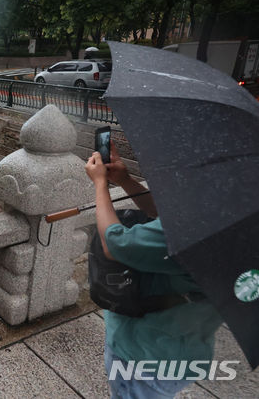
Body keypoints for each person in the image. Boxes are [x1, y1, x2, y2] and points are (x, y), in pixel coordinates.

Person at [85, 142, 223, 398]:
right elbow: (167, 215)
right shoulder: (231, 213)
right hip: (190, 344)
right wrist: (126, 180)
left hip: (145, 353)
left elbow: (114, 243)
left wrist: (100, 184)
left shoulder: (199, 229)